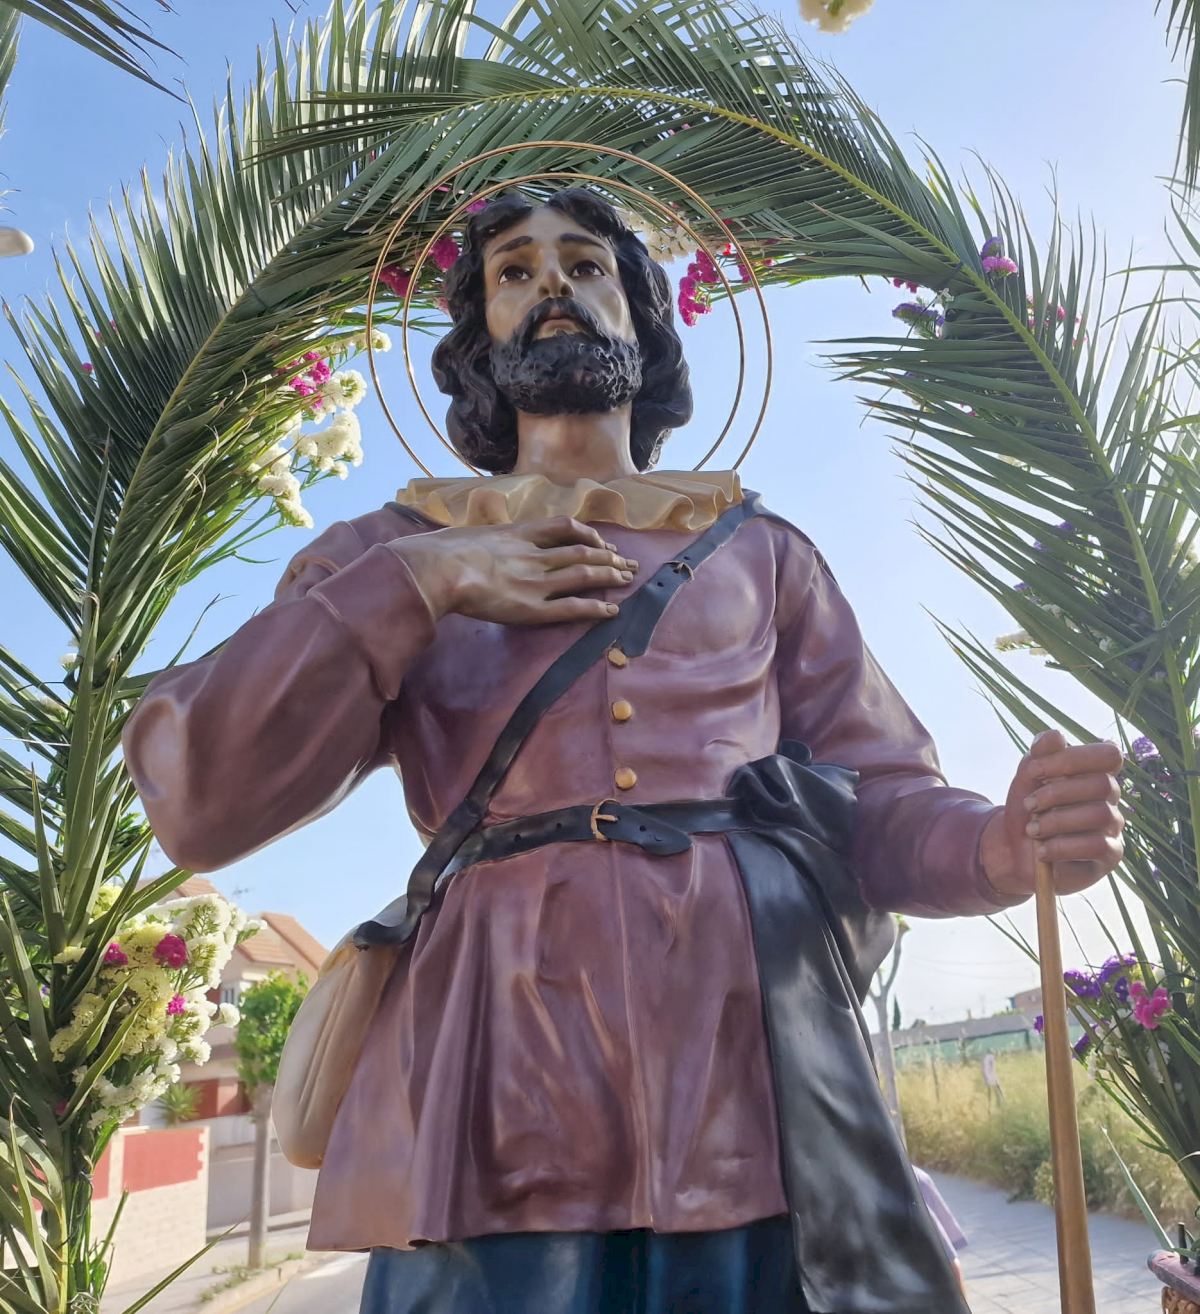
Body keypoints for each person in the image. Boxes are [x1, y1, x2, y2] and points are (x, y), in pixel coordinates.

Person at [122, 188, 1125, 1314]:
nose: (552, 282)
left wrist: (999, 843)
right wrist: (422, 582)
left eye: (587, 264)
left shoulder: (761, 553)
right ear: (479, 338)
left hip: (747, 1059)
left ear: (642, 316)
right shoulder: (390, 549)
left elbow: (875, 796)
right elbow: (202, 794)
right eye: (513, 271)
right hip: (498, 1064)